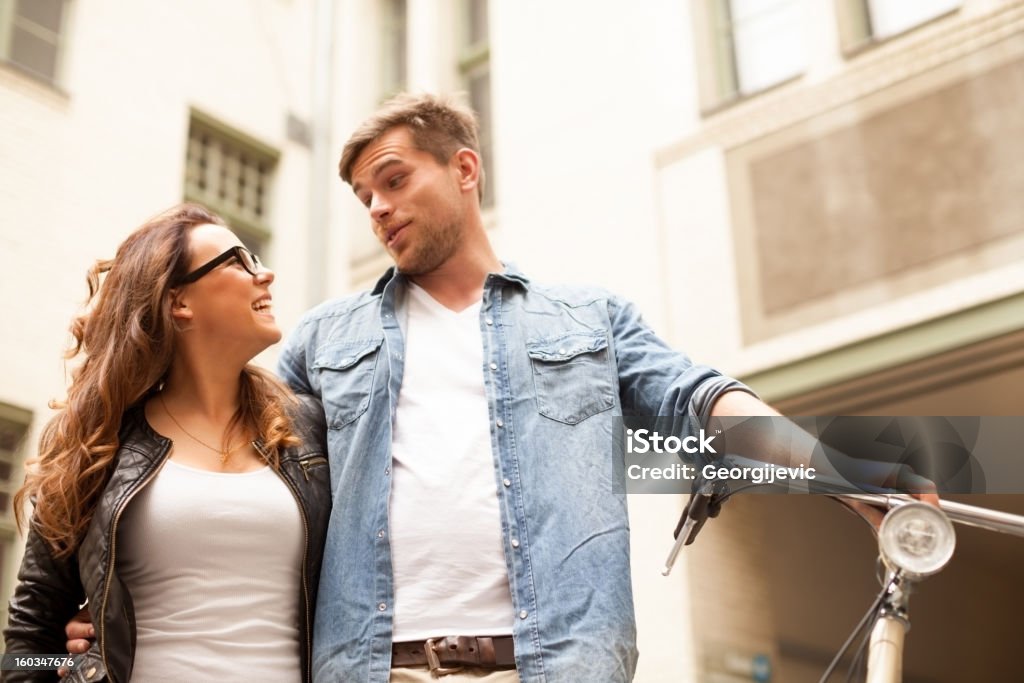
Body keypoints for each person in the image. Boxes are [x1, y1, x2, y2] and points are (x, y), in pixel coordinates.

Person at [271, 93, 819, 683]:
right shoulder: (323, 340)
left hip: (553, 668)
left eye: (394, 180)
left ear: (464, 169)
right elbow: (253, 474)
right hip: (373, 670)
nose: (378, 207)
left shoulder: (588, 319)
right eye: (365, 198)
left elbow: (695, 401)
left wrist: (854, 471)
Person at [4, 203, 331, 683]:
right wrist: (75, 663)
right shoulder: (97, 446)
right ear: (179, 302)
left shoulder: (309, 430)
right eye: (240, 261)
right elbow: (23, 652)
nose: (266, 274)